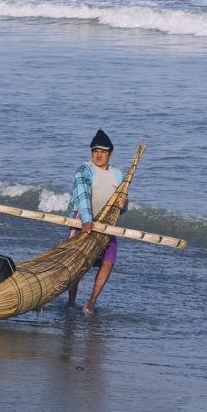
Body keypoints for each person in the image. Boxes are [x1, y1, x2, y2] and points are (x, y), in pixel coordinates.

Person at [66, 129, 128, 314]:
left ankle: (90, 303)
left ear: (111, 153)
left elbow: (122, 207)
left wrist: (124, 205)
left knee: (108, 262)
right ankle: (70, 302)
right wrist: (86, 221)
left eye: (103, 151)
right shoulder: (84, 170)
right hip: (83, 220)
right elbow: (83, 196)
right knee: (77, 264)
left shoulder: (118, 175)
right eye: (95, 151)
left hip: (106, 223)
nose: (99, 155)